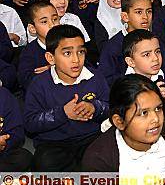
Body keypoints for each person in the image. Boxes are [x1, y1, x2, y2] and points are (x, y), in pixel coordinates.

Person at [24, 25, 109, 171]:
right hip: (54, 143)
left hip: (91, 137)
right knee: (45, 163)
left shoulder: (95, 77)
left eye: (81, 52)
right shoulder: (39, 83)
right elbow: (30, 123)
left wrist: (95, 108)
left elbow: (112, 108)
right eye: (67, 53)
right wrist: (63, 113)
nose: (76, 59)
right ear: (51, 58)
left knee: (106, 158)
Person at [82, 74, 165, 173]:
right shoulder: (99, 159)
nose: (155, 119)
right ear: (119, 122)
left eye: (158, 108)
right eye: (143, 113)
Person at [17, 2, 60, 91]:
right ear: (32, 28)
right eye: (44, 21)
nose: (52, 25)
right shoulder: (29, 52)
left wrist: (57, 69)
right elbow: (26, 80)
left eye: (55, 19)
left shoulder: (69, 44)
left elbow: (86, 67)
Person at [0, 86, 33, 171]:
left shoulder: (4, 95)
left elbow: (17, 133)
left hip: (3, 153)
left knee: (23, 157)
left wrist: (4, 143)